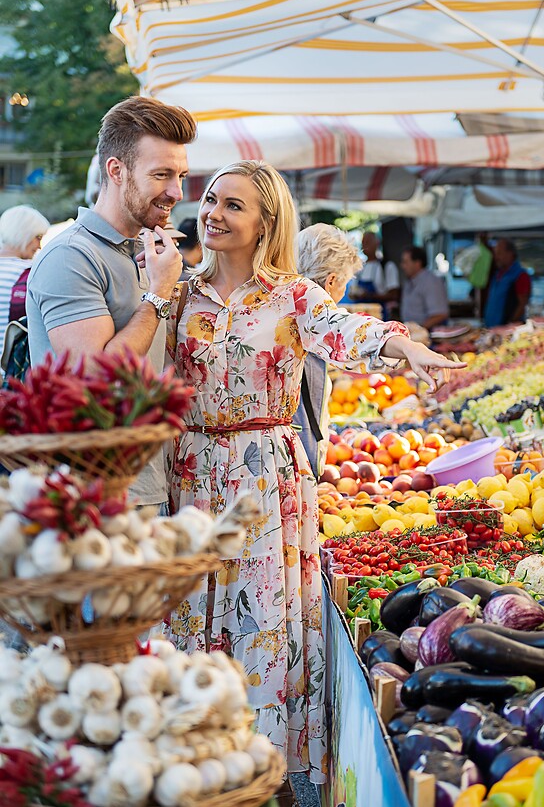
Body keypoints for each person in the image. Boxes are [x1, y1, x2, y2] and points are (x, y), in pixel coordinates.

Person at [163, 160, 465, 781]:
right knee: (189, 618)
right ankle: (192, 766)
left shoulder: (294, 295)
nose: (213, 212)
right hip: (190, 473)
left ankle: (266, 773)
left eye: (234, 205)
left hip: (266, 479)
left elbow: (346, 330)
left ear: (266, 222)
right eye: (211, 199)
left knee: (265, 626)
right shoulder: (175, 292)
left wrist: (406, 347)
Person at [26, 95, 197, 508]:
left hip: (148, 485)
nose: (176, 191)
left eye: (180, 175)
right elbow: (95, 377)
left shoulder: (145, 249)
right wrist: (158, 294)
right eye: (161, 175)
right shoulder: (71, 256)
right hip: (91, 497)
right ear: (116, 171)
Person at [293, 223, 363, 479]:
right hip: (296, 456)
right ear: (331, 280)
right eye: (345, 283)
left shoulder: (278, 301)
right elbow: (358, 345)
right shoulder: (313, 317)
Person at [0, 205, 49, 368]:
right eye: (38, 237)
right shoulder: (33, 273)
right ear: (24, 233)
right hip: (12, 372)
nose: (39, 245)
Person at [350, 230, 400, 317]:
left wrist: (369, 295)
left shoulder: (387, 266)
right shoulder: (359, 267)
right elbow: (352, 292)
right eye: (363, 243)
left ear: (377, 243)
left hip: (379, 316)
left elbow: (394, 295)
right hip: (360, 317)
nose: (365, 245)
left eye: (368, 242)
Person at [483, 239, 531, 328]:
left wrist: (510, 324)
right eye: (495, 253)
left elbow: (522, 304)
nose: (496, 257)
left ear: (510, 254)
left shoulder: (520, 275)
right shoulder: (497, 274)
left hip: (507, 332)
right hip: (491, 329)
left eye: (499, 253)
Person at [399, 245, 449, 330]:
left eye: (406, 262)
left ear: (417, 263)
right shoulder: (409, 282)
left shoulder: (431, 282)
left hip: (428, 335)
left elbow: (440, 314)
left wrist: (419, 330)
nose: (403, 266)